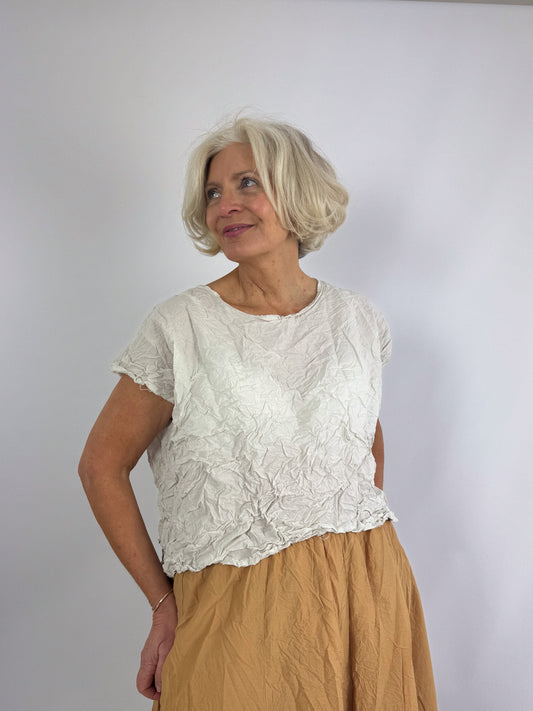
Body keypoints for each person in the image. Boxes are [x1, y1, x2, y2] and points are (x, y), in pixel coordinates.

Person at [79, 115, 438, 710]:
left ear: (297, 191)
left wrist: (347, 548)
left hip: (365, 590)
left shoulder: (357, 319)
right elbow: (101, 467)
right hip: (235, 606)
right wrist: (163, 603)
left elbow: (363, 438)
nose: (226, 205)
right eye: (213, 192)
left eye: (248, 183)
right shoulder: (181, 327)